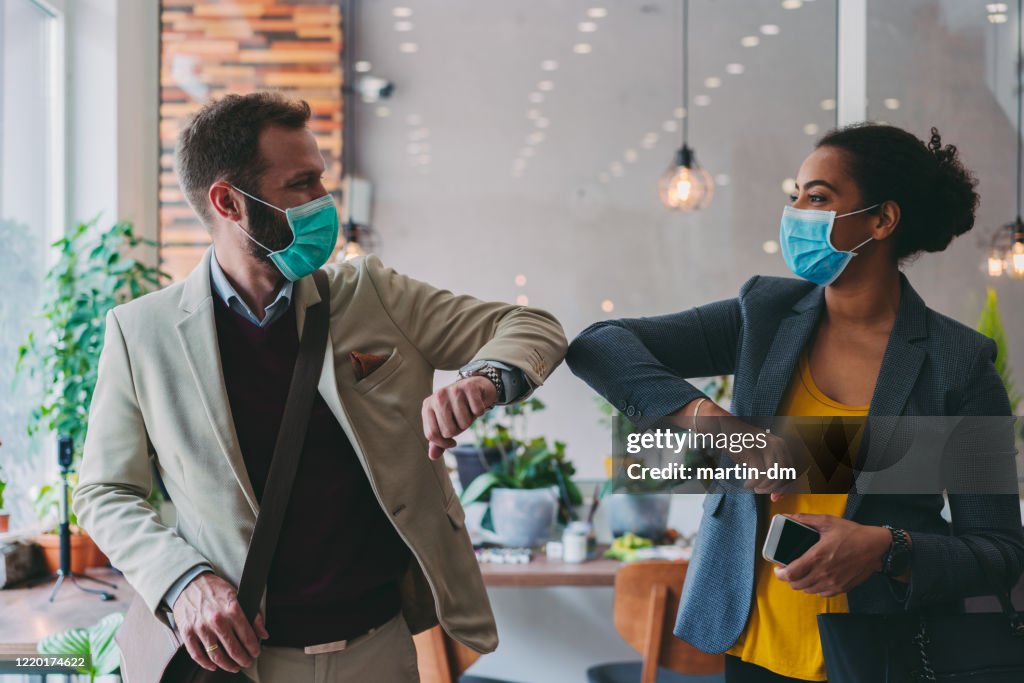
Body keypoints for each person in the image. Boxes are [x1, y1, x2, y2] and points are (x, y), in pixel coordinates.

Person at [74, 92, 567, 682]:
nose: (322, 202)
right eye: (300, 184)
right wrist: (182, 581)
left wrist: (485, 380)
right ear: (229, 201)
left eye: (321, 181)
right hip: (237, 663)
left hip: (377, 650)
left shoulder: (372, 292)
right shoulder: (141, 333)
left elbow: (531, 325)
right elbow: (104, 491)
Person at [566, 123, 1024, 682]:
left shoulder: (958, 363)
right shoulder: (763, 316)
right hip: (752, 648)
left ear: (882, 219)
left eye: (818, 197)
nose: (796, 213)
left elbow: (999, 551)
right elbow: (597, 345)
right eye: (795, 195)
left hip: (881, 658)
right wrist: (716, 424)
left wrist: (885, 548)